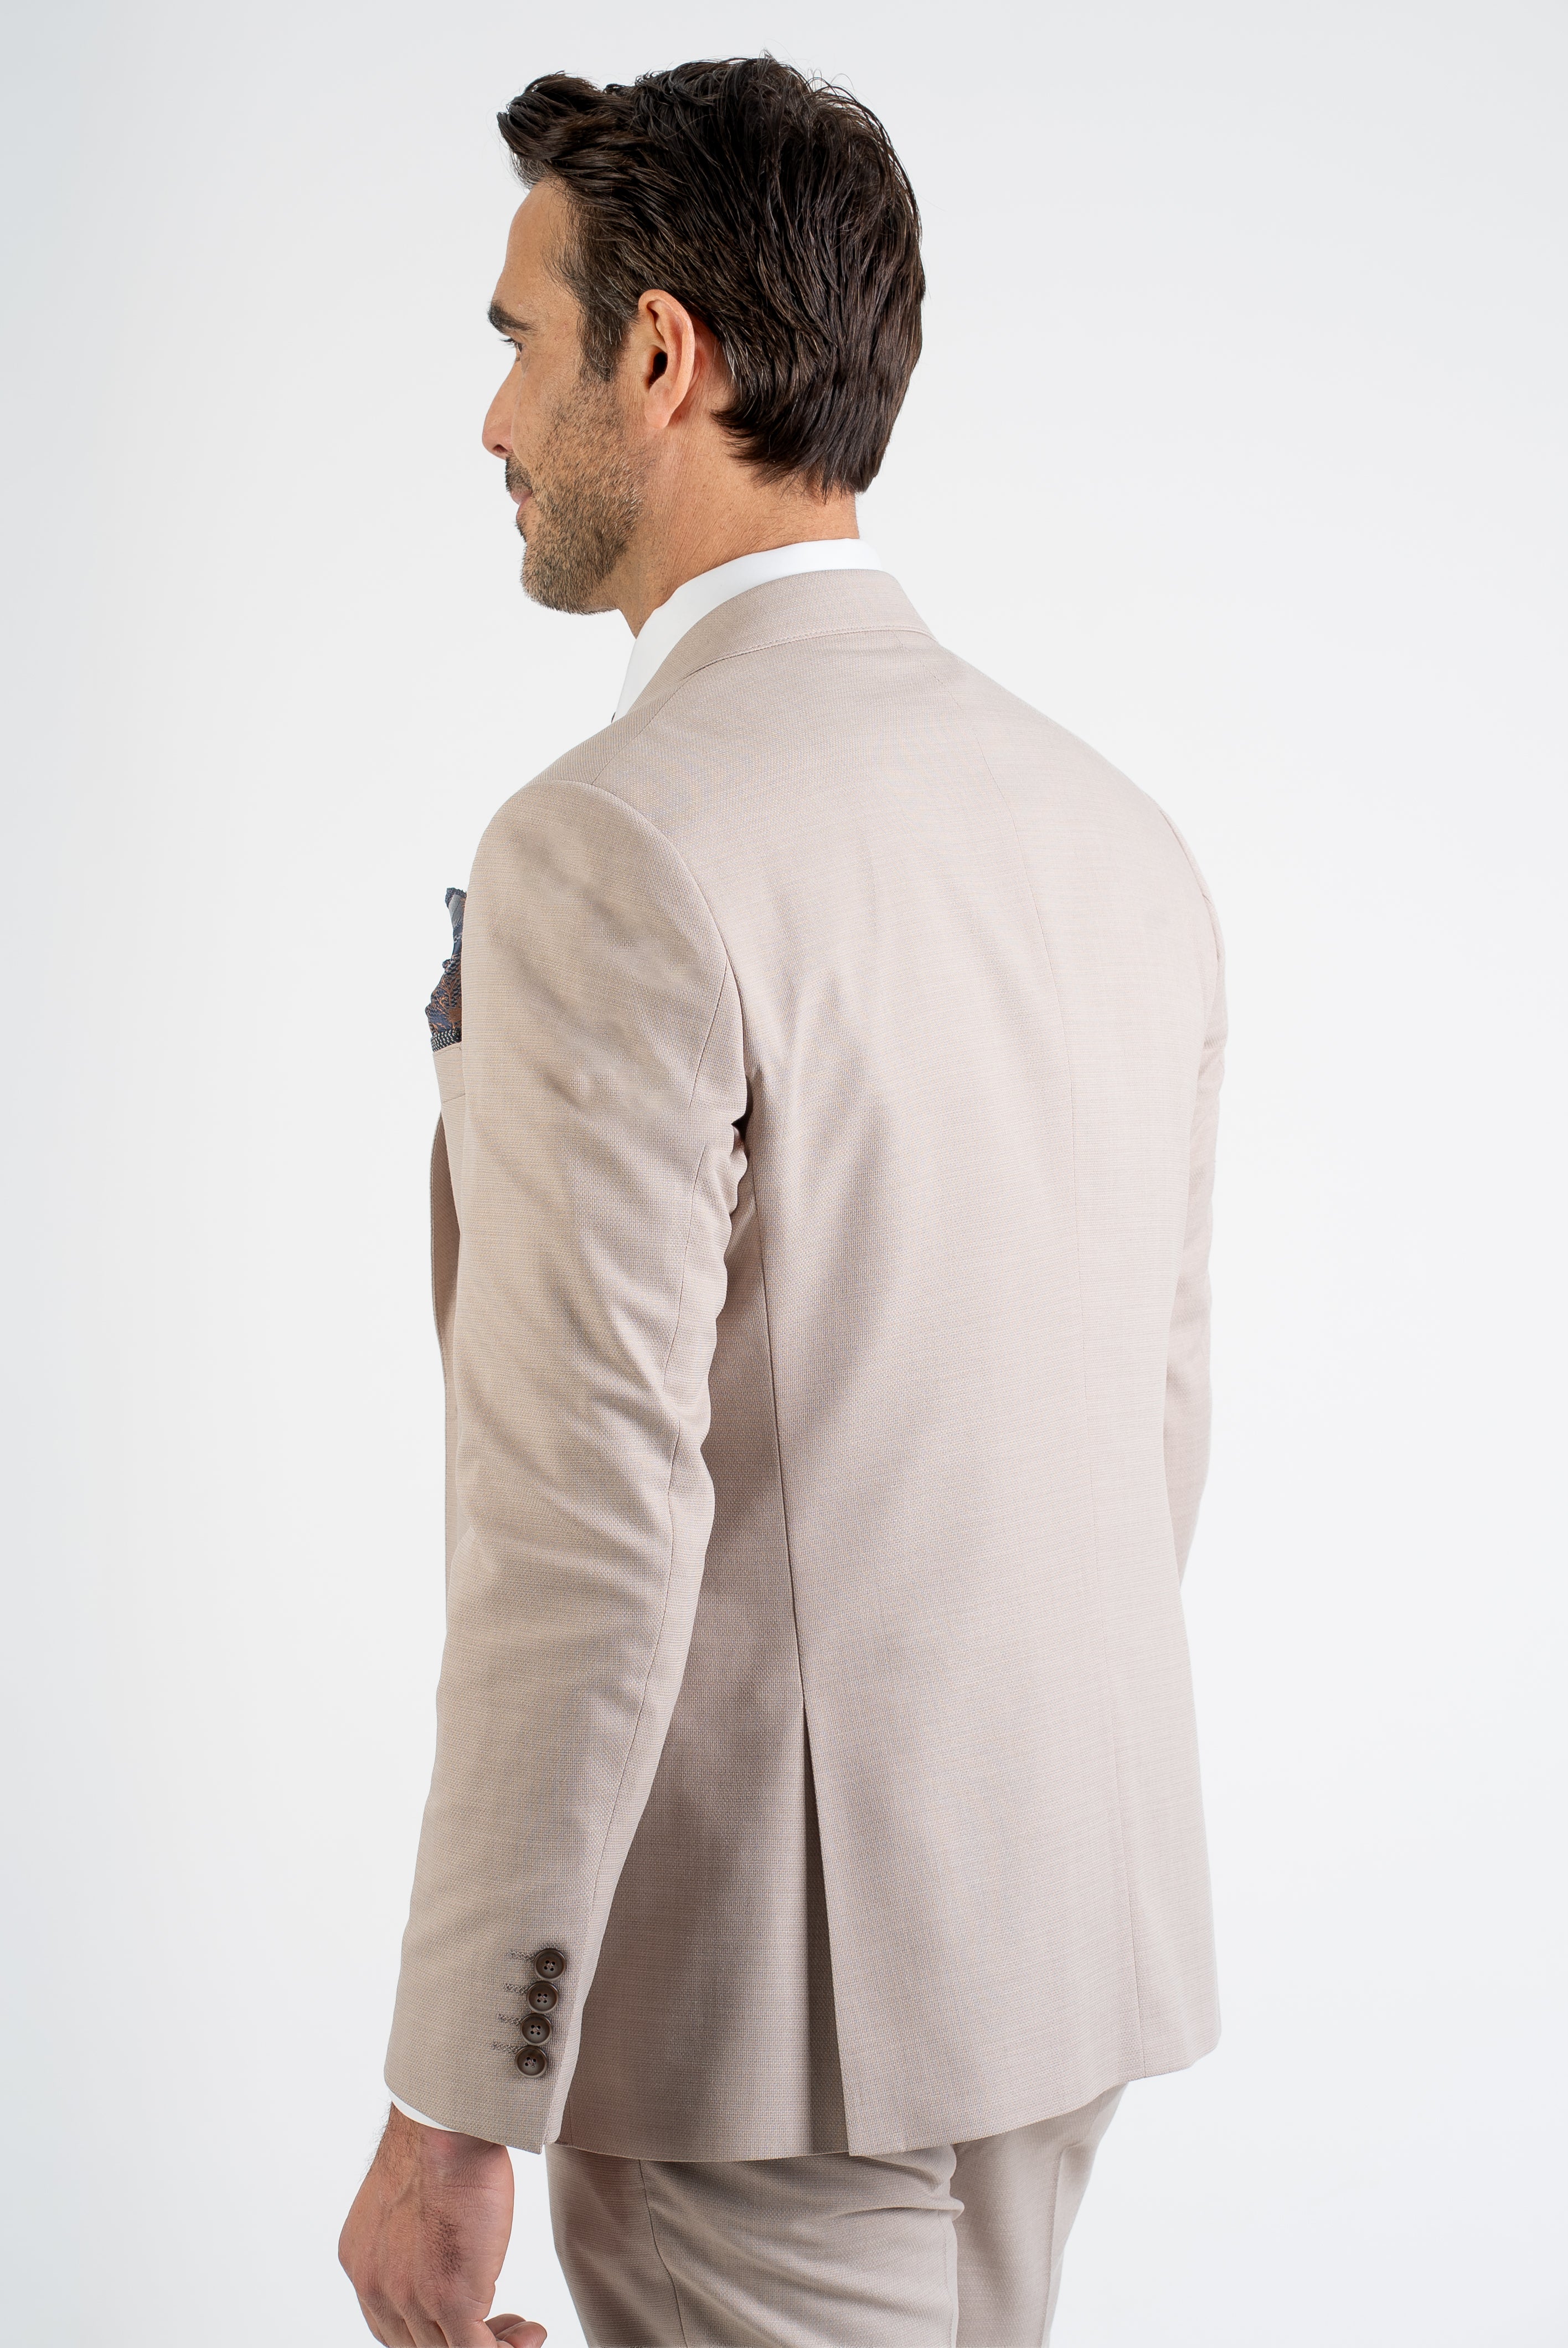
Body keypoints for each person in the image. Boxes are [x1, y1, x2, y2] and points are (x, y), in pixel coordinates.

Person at [338, 56, 1225, 2348]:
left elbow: (587, 1520)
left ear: (664, 356)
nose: (493, 422)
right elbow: (1151, 1429)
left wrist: (458, 2099)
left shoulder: (611, 845)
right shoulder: (1114, 836)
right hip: (1062, 1953)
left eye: (522, 340)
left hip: (770, 2034)